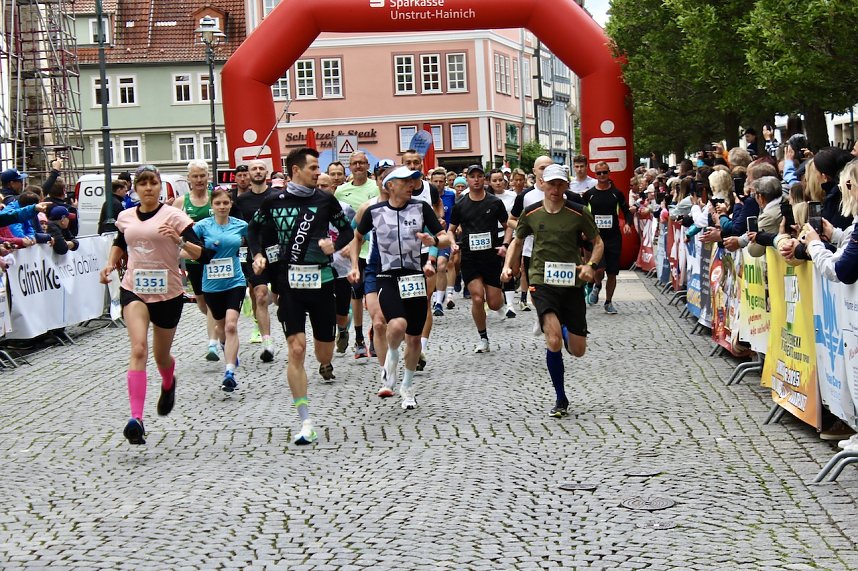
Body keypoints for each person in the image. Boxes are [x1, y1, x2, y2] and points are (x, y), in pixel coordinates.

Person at [248, 147, 354, 445]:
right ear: (296, 170)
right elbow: (253, 230)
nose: (317, 173)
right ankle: (305, 420)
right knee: (296, 349)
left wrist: (336, 246)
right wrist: (258, 255)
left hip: (322, 281)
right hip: (289, 282)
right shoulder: (274, 200)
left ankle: (325, 362)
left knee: (324, 350)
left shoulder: (325, 200)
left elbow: (347, 232)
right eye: (312, 168)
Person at [99, 164, 205, 445]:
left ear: (160, 187)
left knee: (161, 356)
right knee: (138, 348)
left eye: (153, 183)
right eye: (142, 183)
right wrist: (111, 263)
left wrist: (179, 239)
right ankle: (136, 419)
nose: (148, 188)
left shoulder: (175, 216)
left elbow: (200, 253)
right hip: (134, 288)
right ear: (135, 187)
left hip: (168, 292)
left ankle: (168, 383)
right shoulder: (125, 216)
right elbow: (120, 241)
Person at [502, 164, 603, 417]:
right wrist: (508, 266)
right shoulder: (531, 212)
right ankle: (560, 398)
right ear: (542, 184)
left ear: (566, 185)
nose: (556, 189)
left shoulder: (578, 212)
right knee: (553, 339)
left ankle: (568, 328)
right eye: (551, 184)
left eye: (560, 184)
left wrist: (590, 265)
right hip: (541, 280)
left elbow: (598, 242)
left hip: (571, 283)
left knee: (578, 350)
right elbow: (518, 240)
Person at [349, 166, 449, 410]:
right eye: (405, 181)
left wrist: (433, 242)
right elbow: (356, 236)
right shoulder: (374, 212)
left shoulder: (421, 207)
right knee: (397, 324)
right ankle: (392, 355)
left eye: (413, 182)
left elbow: (445, 237)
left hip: (414, 276)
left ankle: (407, 386)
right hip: (386, 275)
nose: (411, 185)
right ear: (390, 185)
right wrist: (354, 265)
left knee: (414, 339)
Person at [448, 164, 510, 353]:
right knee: (476, 298)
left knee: (493, 303)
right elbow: (451, 230)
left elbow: (508, 226)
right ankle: (483, 338)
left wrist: (505, 245)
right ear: (467, 179)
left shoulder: (494, 203)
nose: (476, 179)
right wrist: (453, 243)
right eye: (472, 176)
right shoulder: (460, 204)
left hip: (491, 257)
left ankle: (501, 303)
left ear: (484, 180)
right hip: (470, 257)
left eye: (479, 176)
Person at [193, 188, 248, 391]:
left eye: (226, 203)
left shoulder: (240, 225)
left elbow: (257, 239)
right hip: (211, 285)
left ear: (231, 204)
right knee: (221, 326)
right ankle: (226, 347)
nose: (222, 207)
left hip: (235, 281)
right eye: (218, 204)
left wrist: (257, 257)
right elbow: (188, 247)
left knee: (231, 326)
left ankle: (230, 372)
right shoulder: (202, 226)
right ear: (212, 205)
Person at [334, 151, 378, 359]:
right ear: (349, 167)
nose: (358, 166)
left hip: (375, 250)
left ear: (368, 165)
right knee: (356, 295)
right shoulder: (341, 191)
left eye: (362, 163)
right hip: (353, 251)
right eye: (354, 163)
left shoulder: (376, 188)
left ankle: (375, 333)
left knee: (375, 297)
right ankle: (359, 338)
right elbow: (336, 222)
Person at [173, 160, 218, 360]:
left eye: (203, 176)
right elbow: (173, 231)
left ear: (208, 177)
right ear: (189, 178)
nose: (199, 180)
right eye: (195, 176)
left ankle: (213, 345)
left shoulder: (215, 199)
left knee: (211, 302)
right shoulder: (181, 203)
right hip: (193, 259)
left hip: (215, 259)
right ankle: (219, 324)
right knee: (201, 303)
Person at [235, 159, 276, 360]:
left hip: (277, 253)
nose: (258, 171)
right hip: (252, 253)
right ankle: (267, 343)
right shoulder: (241, 201)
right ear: (248, 174)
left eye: (261, 168)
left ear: (267, 172)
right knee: (259, 294)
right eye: (254, 169)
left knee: (279, 297)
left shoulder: (277, 196)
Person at [583, 161, 633, 314]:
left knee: (612, 272)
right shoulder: (589, 194)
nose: (602, 175)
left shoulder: (616, 193)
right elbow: (581, 213)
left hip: (613, 237)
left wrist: (628, 224)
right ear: (595, 174)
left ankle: (608, 302)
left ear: (609, 173)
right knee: (599, 269)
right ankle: (597, 285)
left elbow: (627, 211)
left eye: (605, 172)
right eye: (599, 173)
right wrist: (583, 230)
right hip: (596, 238)